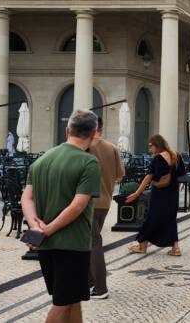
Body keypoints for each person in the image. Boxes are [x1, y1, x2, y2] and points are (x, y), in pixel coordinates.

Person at [21, 110, 102, 323]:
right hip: (72, 243)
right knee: (62, 304)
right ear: (94, 134)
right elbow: (78, 206)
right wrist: (49, 228)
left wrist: (35, 226)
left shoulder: (41, 161)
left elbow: (26, 198)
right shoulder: (88, 162)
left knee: (71, 299)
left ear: (67, 130)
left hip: (47, 245)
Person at [87, 118, 125, 300]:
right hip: (105, 202)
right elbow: (120, 175)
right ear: (102, 127)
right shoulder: (112, 148)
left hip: (87, 202)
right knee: (90, 242)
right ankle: (89, 283)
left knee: (93, 243)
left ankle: (100, 288)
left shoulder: (85, 146)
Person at [126, 135, 184, 256]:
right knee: (170, 219)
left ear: (156, 145)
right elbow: (181, 173)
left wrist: (137, 193)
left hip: (159, 193)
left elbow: (148, 177)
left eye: (150, 146)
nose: (150, 149)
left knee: (152, 217)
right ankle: (175, 248)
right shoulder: (176, 155)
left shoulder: (158, 158)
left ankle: (142, 246)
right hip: (173, 192)